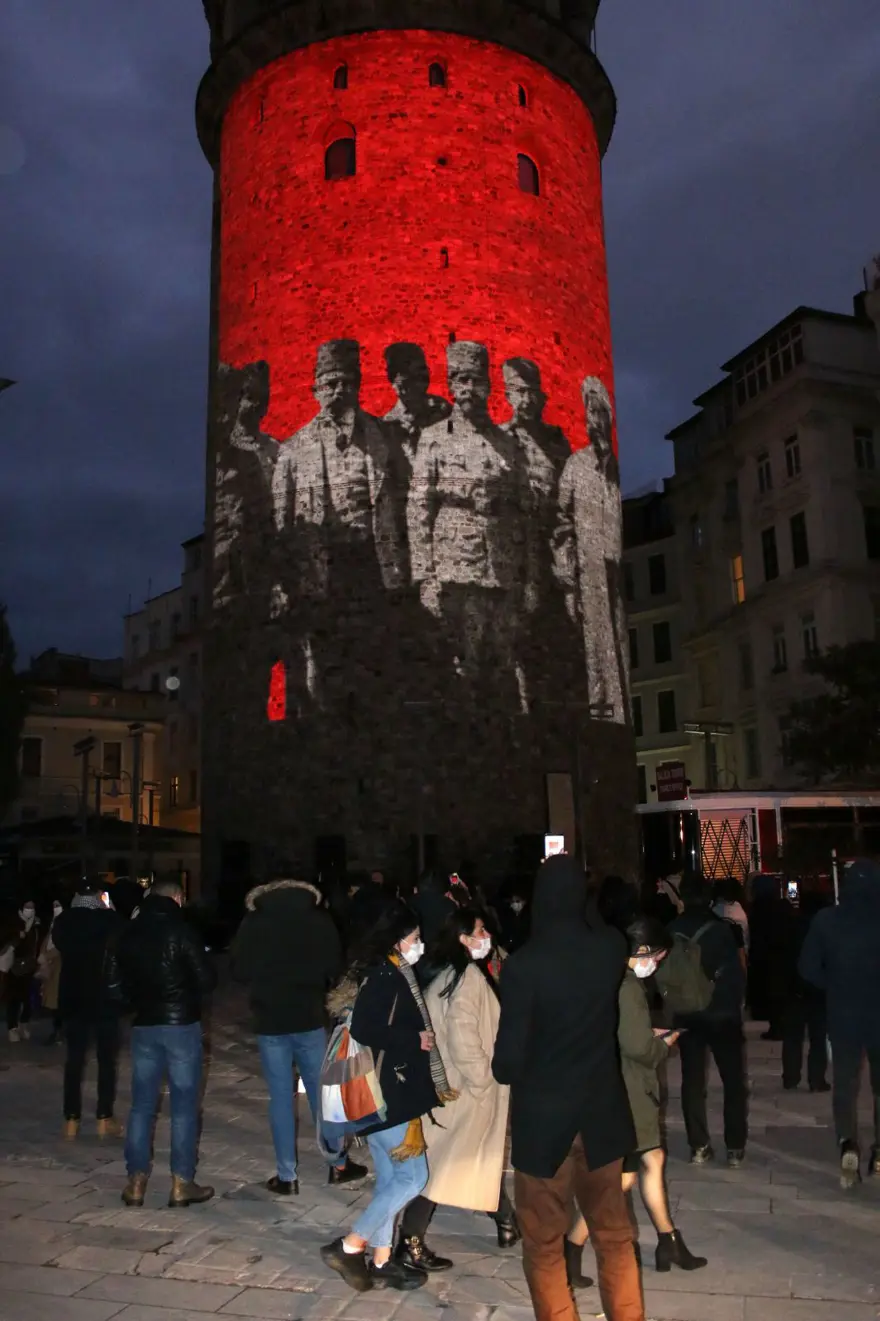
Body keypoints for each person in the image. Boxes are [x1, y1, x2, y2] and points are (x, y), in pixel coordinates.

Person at [492, 854, 644, 1321]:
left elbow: (507, 1064)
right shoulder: (609, 950)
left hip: (545, 1124)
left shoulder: (524, 966)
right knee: (614, 1236)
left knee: (543, 1243)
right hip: (601, 1116)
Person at [321, 902, 457, 1294]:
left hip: (382, 1093)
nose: (420, 944)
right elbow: (366, 1028)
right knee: (414, 1177)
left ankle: (381, 1262)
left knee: (390, 1181)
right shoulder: (386, 975)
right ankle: (350, 1246)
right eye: (415, 937)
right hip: (388, 1094)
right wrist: (415, 1039)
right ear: (398, 940)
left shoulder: (383, 971)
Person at [271, 339, 411, 712]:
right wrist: (284, 582)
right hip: (321, 568)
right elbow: (281, 522)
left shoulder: (385, 437)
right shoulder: (292, 450)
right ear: (315, 389)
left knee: (372, 655)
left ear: (358, 386)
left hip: (372, 563)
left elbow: (404, 504)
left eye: (347, 382)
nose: (338, 390)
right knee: (324, 659)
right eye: (330, 383)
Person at [567, 916, 708, 1283]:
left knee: (653, 1159)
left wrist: (646, 1034)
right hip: (628, 1091)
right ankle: (572, 1247)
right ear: (642, 951)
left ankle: (669, 1241)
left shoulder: (605, 974)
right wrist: (663, 1043)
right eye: (657, 957)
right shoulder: (627, 986)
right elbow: (638, 1048)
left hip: (621, 1086)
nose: (657, 965)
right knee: (622, 1180)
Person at [408, 340, 537, 711]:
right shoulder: (433, 439)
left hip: (503, 569)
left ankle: (503, 735)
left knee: (503, 661)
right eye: (460, 380)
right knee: (463, 664)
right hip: (455, 569)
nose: (468, 388)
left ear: (488, 386)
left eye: (475, 380)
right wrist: (425, 577)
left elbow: (526, 513)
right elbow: (419, 508)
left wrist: (530, 579)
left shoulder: (507, 444)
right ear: (450, 385)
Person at [396, 907, 515, 1273]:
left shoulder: (445, 972)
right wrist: (483, 1080)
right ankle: (409, 1241)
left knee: (472, 1156)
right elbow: (463, 1036)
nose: (486, 937)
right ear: (463, 938)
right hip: (464, 1087)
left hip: (450, 1083)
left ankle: (507, 1220)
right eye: (480, 931)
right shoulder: (465, 977)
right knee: (444, 1166)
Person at [231, 873, 366, 1194]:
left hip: (270, 1019)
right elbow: (335, 966)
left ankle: (286, 1175)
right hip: (308, 1016)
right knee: (322, 1093)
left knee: (280, 1097)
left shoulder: (254, 922)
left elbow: (239, 970)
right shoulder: (318, 920)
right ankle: (337, 1164)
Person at [109, 877, 217, 1209]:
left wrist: (136, 1003)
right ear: (178, 898)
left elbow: (112, 983)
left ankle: (135, 1181)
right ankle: (181, 1182)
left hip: (145, 1025)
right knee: (183, 1106)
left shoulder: (127, 932)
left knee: (142, 1105)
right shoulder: (182, 931)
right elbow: (206, 979)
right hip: (181, 1025)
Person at [799, 858, 880, 1188]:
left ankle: (848, 1141)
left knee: (845, 1083)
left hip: (843, 1013)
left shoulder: (827, 920)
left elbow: (807, 967)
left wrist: (832, 984)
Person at [553, 376, 627, 721]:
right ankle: (601, 716)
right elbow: (559, 519)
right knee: (595, 648)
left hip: (615, 577)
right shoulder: (576, 465)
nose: (594, 421)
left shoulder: (615, 470)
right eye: (590, 413)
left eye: (600, 413)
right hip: (588, 572)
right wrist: (568, 571)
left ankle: (616, 715)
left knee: (618, 645)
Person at [669, 873, 748, 1167]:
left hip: (688, 1013)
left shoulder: (671, 930)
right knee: (733, 1080)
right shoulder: (722, 930)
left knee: (692, 1079)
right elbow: (736, 974)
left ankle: (699, 1145)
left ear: (683, 898)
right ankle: (735, 1147)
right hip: (722, 1013)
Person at [51, 882, 125, 1138]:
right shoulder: (109, 920)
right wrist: (109, 909)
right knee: (106, 1060)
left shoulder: (64, 921)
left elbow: (58, 944)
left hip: (74, 998)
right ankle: (104, 1117)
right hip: (104, 999)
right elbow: (122, 944)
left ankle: (71, 1119)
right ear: (98, 896)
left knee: (74, 1060)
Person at [780, 888, 829, 1094]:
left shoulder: (791, 925)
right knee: (818, 1036)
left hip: (794, 987)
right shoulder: (825, 928)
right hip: (819, 988)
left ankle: (791, 1077)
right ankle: (816, 1079)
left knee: (793, 1035)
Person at [382, 341, 451, 470]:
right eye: (407, 374)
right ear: (394, 380)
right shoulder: (388, 424)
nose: (418, 382)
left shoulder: (442, 410)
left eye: (421, 372)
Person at [3, 899, 41, 1042]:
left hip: (30, 966)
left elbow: (37, 943)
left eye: (32, 907)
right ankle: (12, 1028)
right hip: (14, 966)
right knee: (13, 998)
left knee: (28, 999)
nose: (29, 910)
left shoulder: (36, 924)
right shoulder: (13, 923)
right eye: (27, 907)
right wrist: (17, 935)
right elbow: (5, 939)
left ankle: (23, 1024)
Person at [38, 899, 66, 1044]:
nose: (55, 908)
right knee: (55, 1005)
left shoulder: (65, 927)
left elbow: (61, 946)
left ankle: (59, 1032)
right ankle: (57, 1031)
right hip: (51, 971)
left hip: (60, 970)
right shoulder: (53, 927)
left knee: (59, 1003)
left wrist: (47, 956)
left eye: (58, 906)